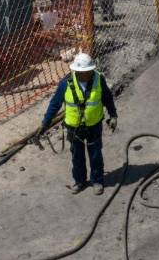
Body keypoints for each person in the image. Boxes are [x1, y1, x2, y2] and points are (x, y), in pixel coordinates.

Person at [40, 52, 117, 194]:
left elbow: (107, 98)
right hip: (74, 128)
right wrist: (45, 123)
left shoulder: (99, 80)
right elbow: (55, 104)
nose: (86, 75)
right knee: (77, 156)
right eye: (82, 72)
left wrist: (113, 115)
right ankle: (79, 181)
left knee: (95, 155)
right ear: (75, 71)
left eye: (88, 71)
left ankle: (97, 181)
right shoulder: (65, 83)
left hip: (94, 125)